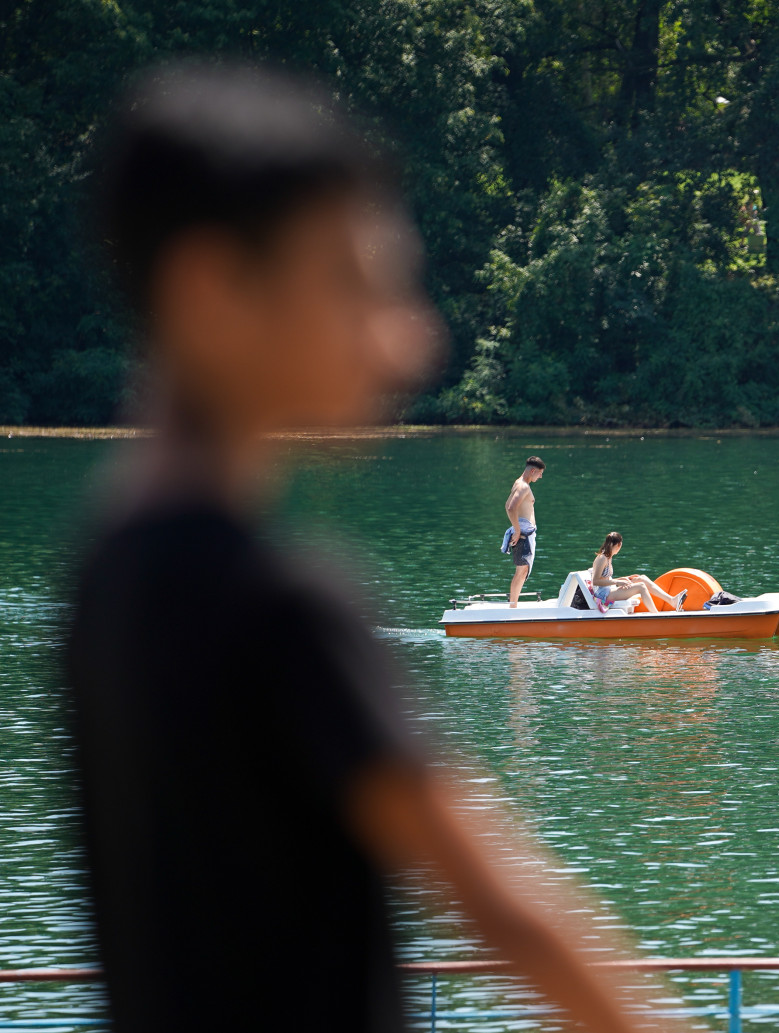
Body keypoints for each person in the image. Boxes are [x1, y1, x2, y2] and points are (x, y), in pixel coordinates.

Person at [65, 63, 680, 1033]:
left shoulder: (105, 573)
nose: (411, 341)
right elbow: (503, 911)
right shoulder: (278, 604)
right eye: (356, 283)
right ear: (213, 287)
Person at [590, 532, 687, 612]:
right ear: (619, 545)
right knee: (641, 587)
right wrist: (617, 582)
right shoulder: (602, 558)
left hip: (608, 589)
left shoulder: (608, 557)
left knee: (642, 578)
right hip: (603, 595)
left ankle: (672, 600)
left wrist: (623, 578)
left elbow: (605, 578)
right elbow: (596, 581)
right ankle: (656, 615)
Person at [504, 456, 544, 606]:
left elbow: (507, 504)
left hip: (524, 533)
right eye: (539, 473)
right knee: (521, 571)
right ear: (533, 470)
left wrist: (516, 528)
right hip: (523, 534)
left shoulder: (518, 483)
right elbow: (510, 507)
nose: (540, 476)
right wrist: (517, 530)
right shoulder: (524, 486)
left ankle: (513, 604)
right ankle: (513, 607)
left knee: (522, 570)